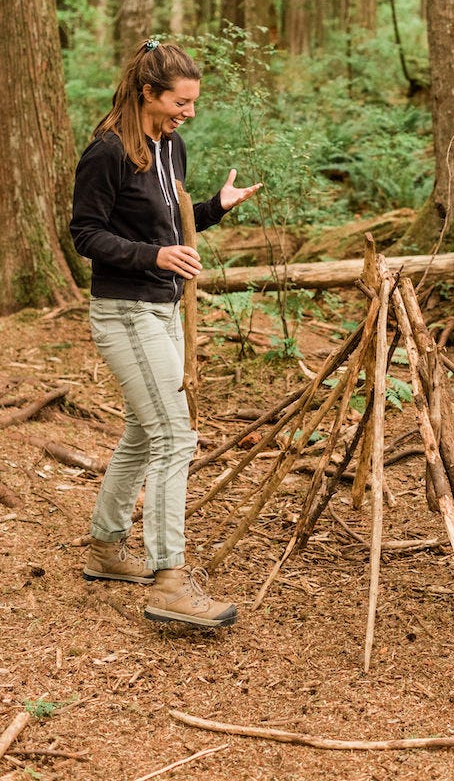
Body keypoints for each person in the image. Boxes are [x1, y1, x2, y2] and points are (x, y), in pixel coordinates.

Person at [70, 38, 261, 629]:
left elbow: (170, 224)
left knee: (143, 430)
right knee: (175, 436)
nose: (190, 111)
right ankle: (170, 579)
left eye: (193, 102)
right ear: (149, 92)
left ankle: (106, 547)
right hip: (124, 312)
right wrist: (153, 258)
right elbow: (86, 234)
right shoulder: (106, 151)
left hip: (162, 309)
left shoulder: (170, 145)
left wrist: (214, 208)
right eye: (181, 100)